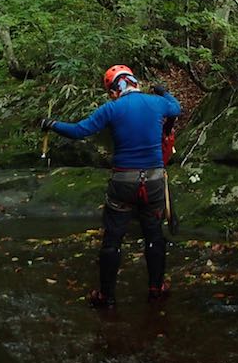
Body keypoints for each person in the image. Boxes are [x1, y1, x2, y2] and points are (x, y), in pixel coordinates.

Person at [41, 64, 181, 309]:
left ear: (114, 90)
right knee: (154, 236)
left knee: (113, 239)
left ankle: (107, 296)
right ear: (134, 82)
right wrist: (163, 91)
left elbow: (78, 131)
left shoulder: (111, 109)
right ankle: (156, 289)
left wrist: (52, 124)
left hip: (123, 183)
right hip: (155, 181)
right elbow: (176, 108)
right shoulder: (157, 103)